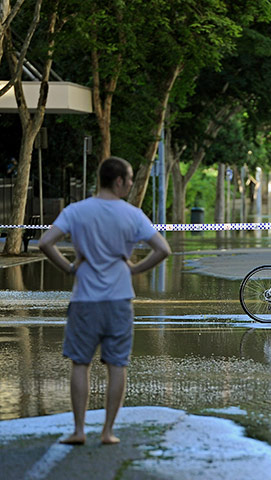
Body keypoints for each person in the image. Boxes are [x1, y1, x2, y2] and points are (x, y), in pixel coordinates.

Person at [38, 156, 171, 445]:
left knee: (80, 363)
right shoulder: (132, 215)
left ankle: (78, 430)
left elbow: (45, 243)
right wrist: (134, 269)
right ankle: (108, 431)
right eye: (131, 178)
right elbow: (162, 249)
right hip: (120, 298)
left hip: (85, 298)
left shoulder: (77, 211)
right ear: (119, 181)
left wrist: (70, 267)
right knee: (117, 365)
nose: (132, 184)